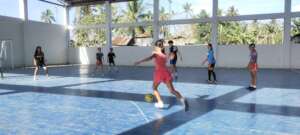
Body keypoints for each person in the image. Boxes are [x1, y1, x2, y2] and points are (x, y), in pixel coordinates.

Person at [134, 39, 189, 111]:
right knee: (172, 90)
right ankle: (183, 99)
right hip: (166, 73)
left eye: (157, 45)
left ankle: (160, 102)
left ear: (157, 47)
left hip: (159, 73)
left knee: (154, 88)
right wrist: (172, 56)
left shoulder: (156, 53)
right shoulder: (164, 55)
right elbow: (171, 58)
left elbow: (149, 58)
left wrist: (139, 61)